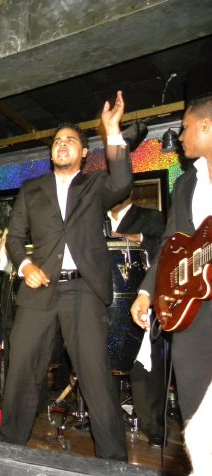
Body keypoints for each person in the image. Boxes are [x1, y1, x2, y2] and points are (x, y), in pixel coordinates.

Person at [0, 91, 131, 461]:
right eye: (57, 141)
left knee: (95, 377)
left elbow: (123, 182)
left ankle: (114, 462)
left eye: (70, 140)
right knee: (21, 371)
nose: (62, 145)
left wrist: (112, 130)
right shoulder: (31, 189)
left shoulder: (96, 185)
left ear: (84, 152)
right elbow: (14, 238)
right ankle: (8, 451)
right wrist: (25, 267)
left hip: (83, 291)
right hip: (38, 291)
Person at [131, 94, 212, 428]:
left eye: (185, 128)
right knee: (194, 401)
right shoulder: (184, 183)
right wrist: (147, 292)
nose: (179, 136)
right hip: (193, 306)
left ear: (206, 126)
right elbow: (170, 245)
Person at [108, 191, 167, 447]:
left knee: (144, 363)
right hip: (104, 299)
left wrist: (138, 238)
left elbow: (167, 249)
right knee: (101, 362)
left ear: (129, 191)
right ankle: (107, 422)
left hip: (139, 296)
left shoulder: (151, 217)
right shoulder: (95, 219)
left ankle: (154, 425)